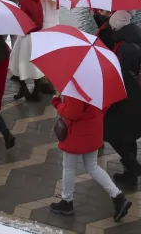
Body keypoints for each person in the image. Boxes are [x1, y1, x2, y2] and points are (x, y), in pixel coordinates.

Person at [50, 93, 132, 222]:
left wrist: (57, 103)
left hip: (76, 132)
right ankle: (118, 196)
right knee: (92, 166)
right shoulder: (97, 83)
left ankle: (67, 201)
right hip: (93, 128)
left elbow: (73, 113)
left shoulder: (75, 86)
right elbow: (105, 106)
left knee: (69, 167)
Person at [103, 10, 141, 187]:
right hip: (137, 95)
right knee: (130, 136)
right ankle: (131, 175)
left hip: (124, 97)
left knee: (110, 132)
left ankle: (133, 166)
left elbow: (117, 74)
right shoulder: (138, 39)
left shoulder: (123, 48)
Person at [106, 11, 141, 145]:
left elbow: (120, 72)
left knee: (124, 123)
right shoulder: (137, 38)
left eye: (113, 27)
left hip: (128, 90)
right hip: (137, 89)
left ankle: (131, 162)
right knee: (132, 117)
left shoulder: (124, 47)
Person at [9, 0, 44, 102]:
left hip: (26, 36)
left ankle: (24, 89)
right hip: (37, 35)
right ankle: (36, 90)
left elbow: (21, 20)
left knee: (18, 62)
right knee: (35, 65)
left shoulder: (23, 2)